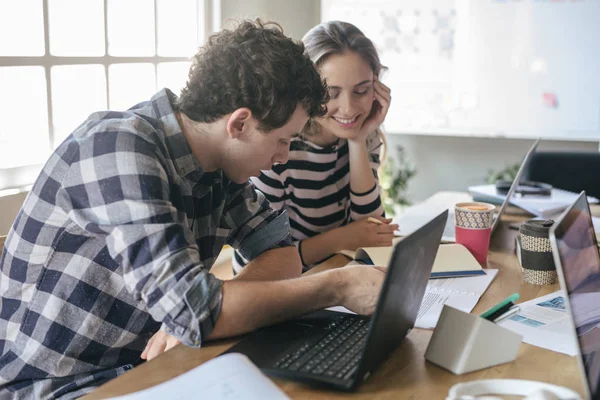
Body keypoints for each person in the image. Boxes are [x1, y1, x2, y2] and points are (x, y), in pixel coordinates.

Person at [0, 20, 387, 399]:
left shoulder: (219, 165)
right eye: (282, 140)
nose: (282, 158)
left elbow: (281, 252)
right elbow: (196, 311)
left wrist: (214, 306)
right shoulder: (118, 147)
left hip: (149, 367)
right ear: (239, 124)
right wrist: (336, 285)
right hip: (54, 386)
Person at [233, 21, 397, 273]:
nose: (349, 108)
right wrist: (343, 239)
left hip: (332, 271)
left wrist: (357, 140)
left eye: (361, 91)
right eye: (332, 94)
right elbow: (259, 260)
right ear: (307, 89)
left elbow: (370, 233)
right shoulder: (278, 145)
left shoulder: (365, 131)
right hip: (279, 286)